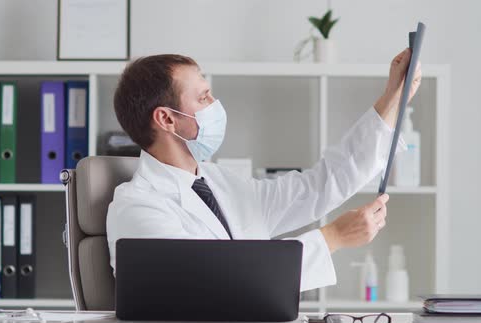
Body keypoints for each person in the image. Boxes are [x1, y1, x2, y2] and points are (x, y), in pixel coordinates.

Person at [106, 50, 422, 291]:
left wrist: (393, 99)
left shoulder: (219, 183)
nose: (216, 104)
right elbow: (218, 282)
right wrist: (332, 238)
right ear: (166, 119)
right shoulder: (137, 207)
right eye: (203, 97)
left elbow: (316, 188)